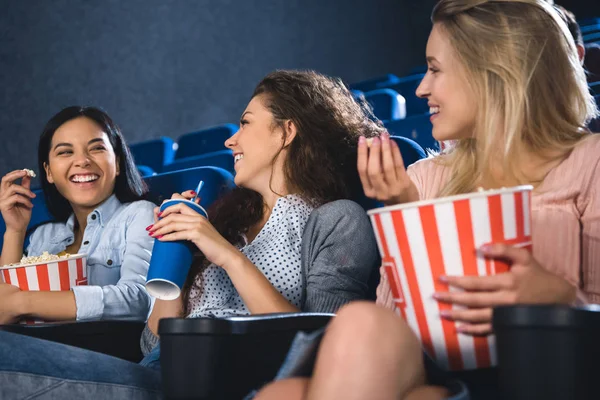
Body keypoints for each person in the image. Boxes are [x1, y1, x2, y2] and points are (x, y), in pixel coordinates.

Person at [255, 1, 600, 399]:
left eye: (435, 69)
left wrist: (559, 297)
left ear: (496, 72)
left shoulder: (590, 162)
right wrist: (406, 217)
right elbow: (387, 326)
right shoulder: (422, 179)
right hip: (428, 371)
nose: (422, 88)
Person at [0, 70, 381, 399]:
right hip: (162, 370)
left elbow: (322, 342)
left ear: (286, 131)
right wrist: (177, 254)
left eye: (245, 123)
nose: (231, 141)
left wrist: (225, 254)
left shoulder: (337, 219)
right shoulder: (228, 224)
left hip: (218, 380)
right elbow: (152, 342)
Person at [0, 106, 155, 323]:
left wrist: (23, 303)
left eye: (96, 149)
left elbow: (138, 301)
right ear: (49, 172)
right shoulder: (43, 236)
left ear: (117, 163)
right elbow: (3, 309)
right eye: (65, 152)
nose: (82, 161)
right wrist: (15, 231)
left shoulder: (139, 215)